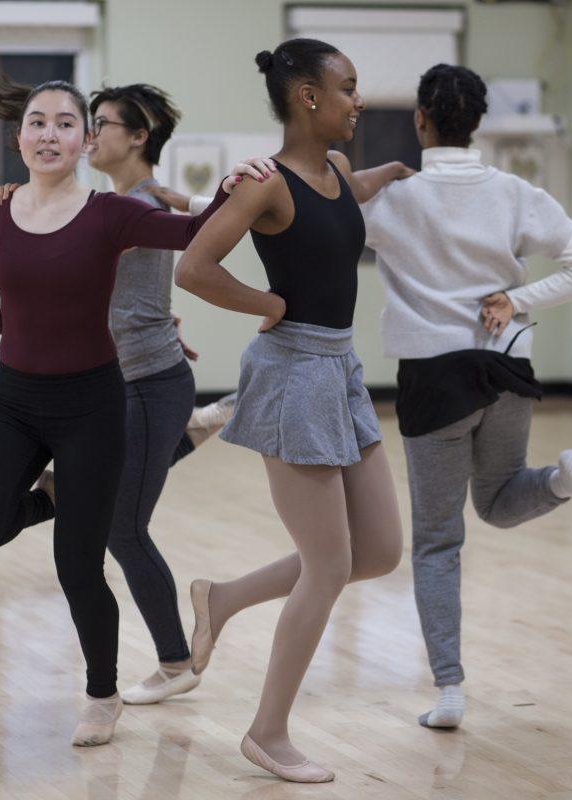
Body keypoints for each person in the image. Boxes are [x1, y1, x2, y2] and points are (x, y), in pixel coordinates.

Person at [0, 75, 240, 748]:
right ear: (19, 138)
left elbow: (197, 229)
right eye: (37, 122)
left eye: (65, 124)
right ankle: (52, 498)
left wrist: (232, 186)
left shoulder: (113, 215)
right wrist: (21, 327)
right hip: (15, 400)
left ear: (84, 141)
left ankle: (102, 696)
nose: (49, 133)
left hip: (93, 406)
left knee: (80, 566)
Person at [173, 38, 410, 783]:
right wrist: (267, 303)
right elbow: (193, 267)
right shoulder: (263, 183)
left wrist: (404, 173)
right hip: (292, 372)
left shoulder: (336, 168)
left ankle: (223, 596)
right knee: (331, 563)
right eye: (347, 88)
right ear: (308, 96)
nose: (358, 100)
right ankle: (267, 733)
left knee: (376, 552)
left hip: (340, 367)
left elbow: (355, 194)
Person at [361, 63, 572, 729]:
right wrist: (517, 298)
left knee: (439, 541)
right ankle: (564, 478)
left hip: (435, 380)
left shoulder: (394, 202)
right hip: (508, 371)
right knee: (500, 503)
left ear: (421, 120)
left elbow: (320, 233)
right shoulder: (515, 193)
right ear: (477, 125)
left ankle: (449, 690)